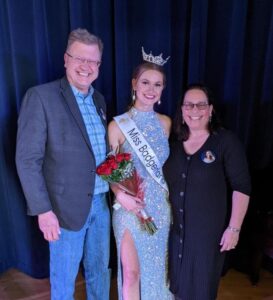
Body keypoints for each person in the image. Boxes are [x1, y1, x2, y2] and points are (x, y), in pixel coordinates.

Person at [16, 28, 110, 300]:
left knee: (100, 271)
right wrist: (43, 210)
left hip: (101, 204)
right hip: (63, 209)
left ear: (99, 66)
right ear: (66, 59)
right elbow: (27, 159)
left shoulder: (99, 100)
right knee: (64, 279)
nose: (86, 66)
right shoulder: (41, 97)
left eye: (93, 61)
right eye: (79, 58)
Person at [163, 84, 251, 300]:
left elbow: (242, 187)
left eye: (201, 104)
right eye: (189, 105)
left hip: (207, 237)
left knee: (202, 290)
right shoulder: (172, 145)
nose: (195, 110)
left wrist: (234, 228)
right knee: (176, 289)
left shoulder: (225, 141)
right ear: (182, 110)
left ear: (210, 109)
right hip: (175, 234)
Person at [108, 49, 173, 300]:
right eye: (145, 82)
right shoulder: (117, 125)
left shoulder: (166, 124)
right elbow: (110, 170)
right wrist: (120, 195)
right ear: (134, 84)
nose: (151, 89)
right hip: (128, 207)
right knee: (132, 272)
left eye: (158, 84)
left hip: (158, 205)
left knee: (156, 271)